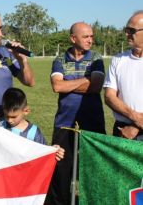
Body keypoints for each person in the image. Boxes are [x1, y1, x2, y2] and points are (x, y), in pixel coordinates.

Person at [45, 22, 106, 205]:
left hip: (93, 120)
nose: (90, 40)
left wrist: (69, 83)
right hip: (64, 121)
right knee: (61, 166)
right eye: (86, 36)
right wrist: (85, 80)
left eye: (91, 36)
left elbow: (95, 87)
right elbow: (57, 86)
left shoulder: (96, 57)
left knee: (95, 166)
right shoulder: (60, 59)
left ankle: (94, 200)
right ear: (73, 38)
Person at [104, 11, 143, 141]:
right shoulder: (118, 60)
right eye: (126, 29)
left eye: (132, 30)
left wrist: (135, 127)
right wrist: (136, 119)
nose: (127, 34)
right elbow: (109, 97)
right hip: (122, 132)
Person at [0, 88, 65, 161]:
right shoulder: (0, 127)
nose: (9, 120)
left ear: (26, 111)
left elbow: (43, 150)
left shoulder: (33, 132)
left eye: (13, 117)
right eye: (6, 115)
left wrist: (54, 150)